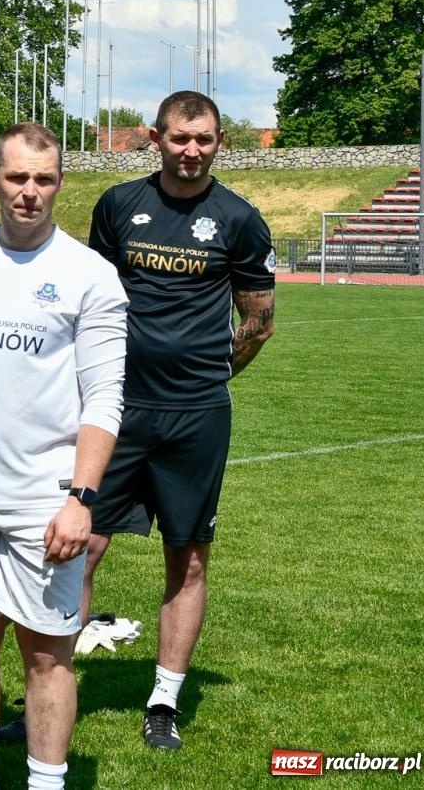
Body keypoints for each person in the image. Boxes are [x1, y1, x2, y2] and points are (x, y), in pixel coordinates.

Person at [0, 123, 128, 790]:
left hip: (46, 506)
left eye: (43, 180)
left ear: (60, 184)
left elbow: (104, 398)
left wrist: (81, 500)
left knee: (47, 657)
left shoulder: (90, 275)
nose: (29, 193)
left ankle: (46, 783)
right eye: (17, 178)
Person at [82, 90, 276, 751]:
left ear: (220, 141)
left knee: (188, 560)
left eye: (205, 139)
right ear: (156, 139)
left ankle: (163, 700)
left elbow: (258, 321)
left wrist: (208, 378)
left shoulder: (240, 219)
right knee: (80, 545)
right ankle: (57, 682)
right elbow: (95, 303)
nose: (191, 150)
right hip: (117, 408)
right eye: (179, 138)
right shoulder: (118, 207)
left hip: (196, 416)